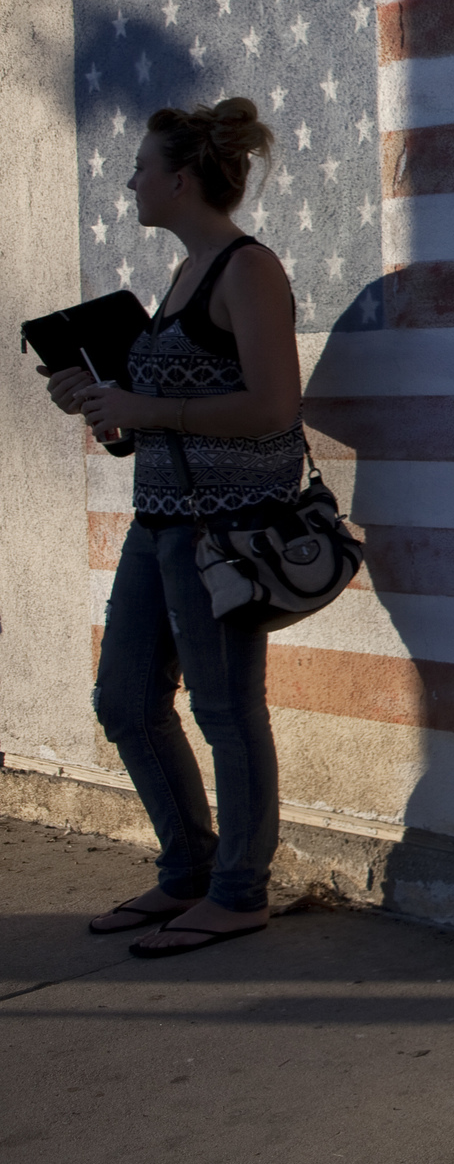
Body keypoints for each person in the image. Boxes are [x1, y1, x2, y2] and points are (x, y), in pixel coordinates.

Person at [38, 98, 306, 958]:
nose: (131, 180)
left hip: (224, 532)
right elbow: (173, 413)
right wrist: (111, 413)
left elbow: (272, 405)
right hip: (158, 525)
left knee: (228, 710)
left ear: (181, 179)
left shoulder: (246, 269)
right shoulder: (183, 273)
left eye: (142, 167)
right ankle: (188, 868)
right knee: (124, 701)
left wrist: (146, 404)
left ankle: (238, 889)